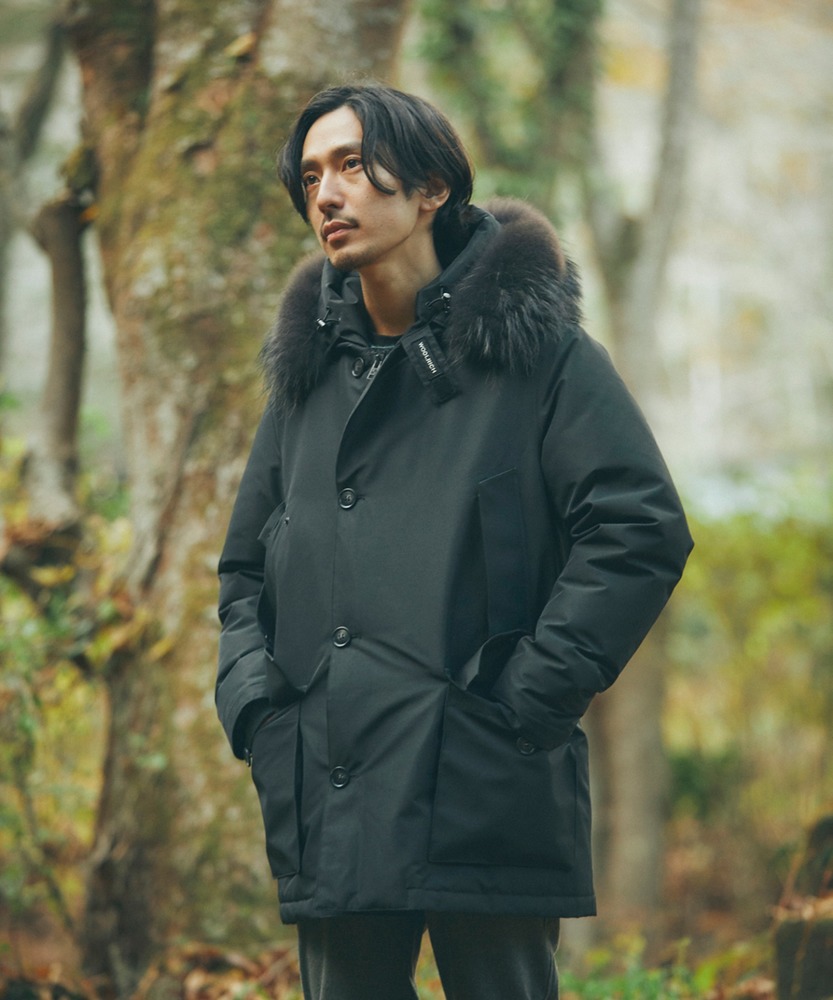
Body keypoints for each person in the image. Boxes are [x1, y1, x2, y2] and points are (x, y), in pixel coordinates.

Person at [216, 83, 693, 1000]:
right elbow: (244, 568)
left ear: (431, 187)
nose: (326, 193)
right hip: (331, 781)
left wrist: (529, 698)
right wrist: (258, 709)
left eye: (352, 164)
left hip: (484, 772)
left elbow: (638, 527)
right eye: (310, 176)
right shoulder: (307, 380)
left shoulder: (539, 355)